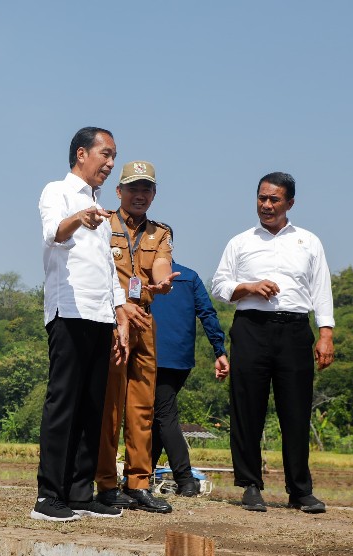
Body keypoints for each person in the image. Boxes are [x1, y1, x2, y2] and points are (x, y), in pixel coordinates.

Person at [212, 172, 334, 514]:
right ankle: (250, 485)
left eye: (274, 200)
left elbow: (321, 288)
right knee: (247, 408)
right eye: (261, 198)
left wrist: (326, 334)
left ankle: (300, 490)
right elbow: (220, 286)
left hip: (295, 330)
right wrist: (249, 287)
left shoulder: (309, 242)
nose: (266, 205)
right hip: (252, 328)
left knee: (295, 410)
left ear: (290, 203)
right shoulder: (240, 242)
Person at [31, 127, 129, 522]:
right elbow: (53, 233)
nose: (110, 163)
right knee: (64, 403)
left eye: (113, 156)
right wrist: (78, 217)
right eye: (105, 154)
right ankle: (48, 495)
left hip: (100, 314)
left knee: (92, 405)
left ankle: (78, 491)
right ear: (81, 153)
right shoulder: (57, 191)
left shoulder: (100, 207)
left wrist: (120, 315)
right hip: (68, 310)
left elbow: (108, 268)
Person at [95, 161, 179, 514]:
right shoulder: (102, 224)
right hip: (110, 317)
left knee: (142, 407)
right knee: (109, 406)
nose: (139, 194)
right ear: (119, 192)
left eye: (146, 189)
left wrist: (162, 282)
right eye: (133, 188)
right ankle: (105, 483)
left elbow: (161, 264)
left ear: (154, 193)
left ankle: (139, 483)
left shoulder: (160, 232)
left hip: (143, 317)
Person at [150, 260, 229, 496]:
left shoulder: (141, 273)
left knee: (163, 415)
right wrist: (219, 350)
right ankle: (144, 476)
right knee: (158, 416)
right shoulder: (190, 276)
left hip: (151, 356)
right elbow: (207, 313)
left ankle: (184, 480)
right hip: (181, 360)